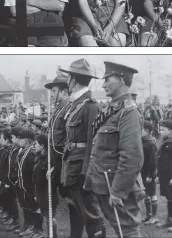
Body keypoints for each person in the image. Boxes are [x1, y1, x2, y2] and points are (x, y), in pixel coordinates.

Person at [84, 62, 145, 238]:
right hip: (105, 183)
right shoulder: (113, 109)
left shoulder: (128, 112)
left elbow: (132, 155)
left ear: (119, 80)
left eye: (107, 80)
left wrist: (118, 191)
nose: (103, 85)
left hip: (116, 186)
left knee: (128, 231)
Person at [59, 59, 106, 238]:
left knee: (92, 215)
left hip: (81, 170)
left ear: (73, 79)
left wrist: (86, 173)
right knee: (80, 211)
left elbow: (93, 142)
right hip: (73, 166)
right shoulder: (77, 104)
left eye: (69, 77)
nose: (67, 81)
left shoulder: (90, 106)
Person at [45, 74, 84, 238]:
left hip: (66, 161)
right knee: (67, 200)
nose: (52, 94)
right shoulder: (58, 108)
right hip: (56, 160)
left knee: (74, 202)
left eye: (54, 90)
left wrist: (58, 164)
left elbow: (68, 138)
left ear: (63, 91)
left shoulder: (69, 107)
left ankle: (76, 234)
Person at [156, 120, 172, 232]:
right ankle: (170, 219)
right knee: (169, 196)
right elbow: (161, 161)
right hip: (164, 175)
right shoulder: (165, 143)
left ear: (170, 131)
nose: (159, 131)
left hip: (171, 176)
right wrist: (157, 174)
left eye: (162, 130)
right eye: (160, 129)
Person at [33, 134, 59, 238]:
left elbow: (55, 177)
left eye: (36, 144)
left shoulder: (49, 160)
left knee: (50, 218)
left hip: (49, 194)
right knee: (46, 217)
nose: (34, 146)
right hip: (40, 193)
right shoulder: (38, 158)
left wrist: (52, 172)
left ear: (42, 145)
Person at [141, 121, 158, 225]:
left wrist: (150, 175)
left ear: (147, 131)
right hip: (142, 172)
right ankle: (148, 214)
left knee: (152, 193)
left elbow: (153, 162)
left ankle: (155, 216)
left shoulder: (151, 144)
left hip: (148, 173)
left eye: (141, 130)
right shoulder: (142, 141)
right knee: (146, 193)